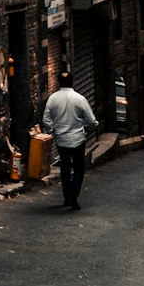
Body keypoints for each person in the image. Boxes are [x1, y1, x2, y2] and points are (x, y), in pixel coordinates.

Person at [43, 69, 98, 211]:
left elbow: (46, 120)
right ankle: (74, 195)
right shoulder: (79, 99)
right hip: (77, 138)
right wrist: (92, 126)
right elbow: (91, 120)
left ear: (59, 82)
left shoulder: (52, 98)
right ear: (72, 82)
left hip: (61, 139)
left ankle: (67, 196)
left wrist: (52, 130)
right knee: (79, 167)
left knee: (65, 167)